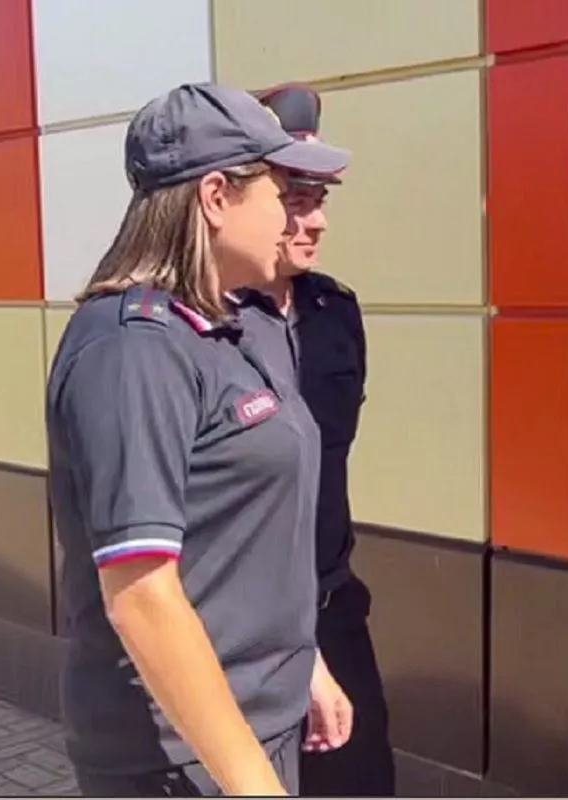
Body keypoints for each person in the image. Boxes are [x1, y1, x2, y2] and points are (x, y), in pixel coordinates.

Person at [47, 82, 356, 797]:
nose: (297, 215)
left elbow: (250, 535)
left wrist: (304, 662)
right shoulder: (133, 351)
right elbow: (142, 595)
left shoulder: (235, 329)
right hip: (176, 755)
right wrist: (252, 784)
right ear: (216, 197)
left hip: (257, 719)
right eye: (278, 190)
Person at [231, 83, 396, 797]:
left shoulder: (335, 310)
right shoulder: (200, 327)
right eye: (295, 200)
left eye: (320, 198)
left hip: (331, 609)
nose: (317, 220)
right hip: (237, 630)